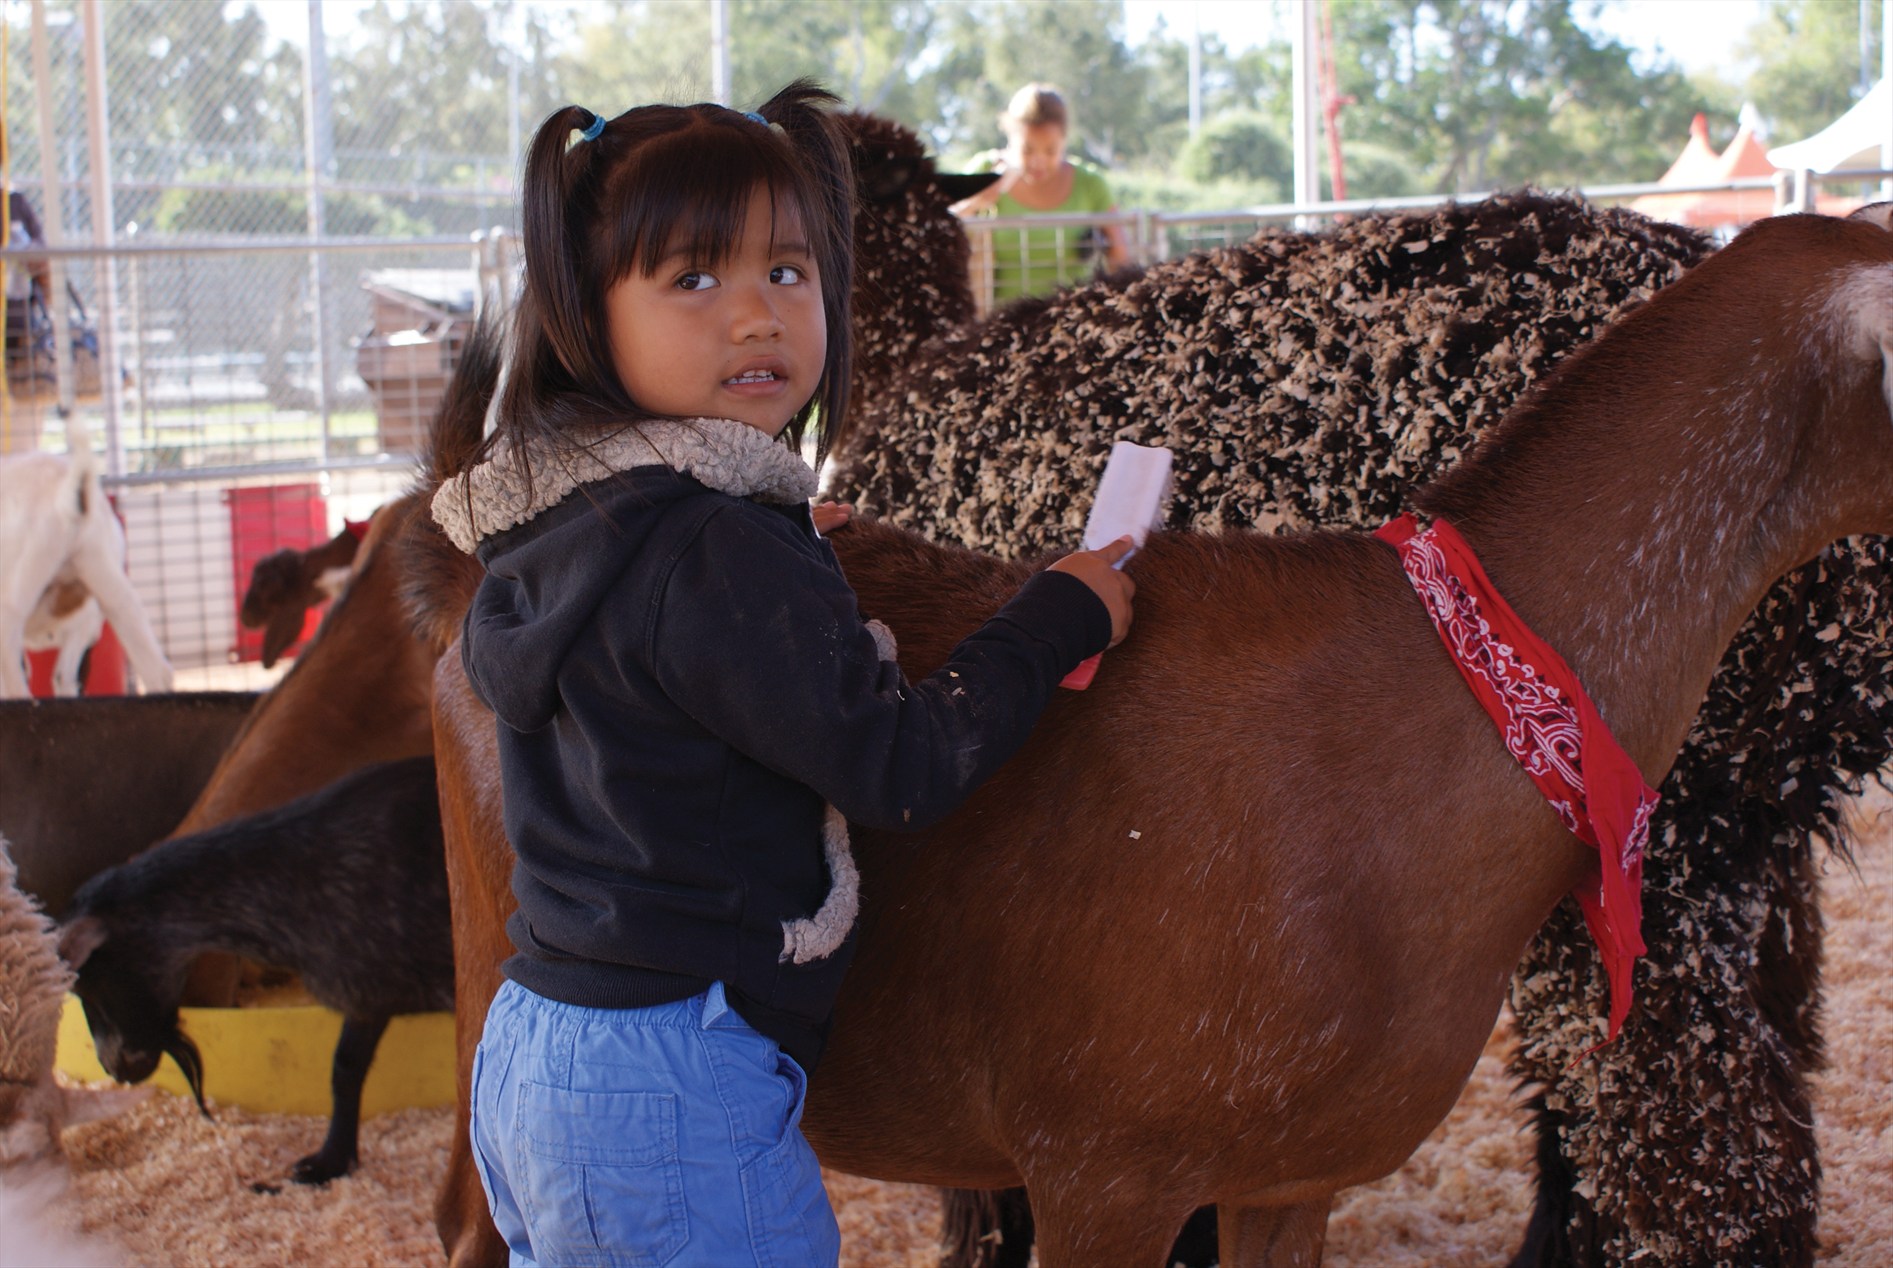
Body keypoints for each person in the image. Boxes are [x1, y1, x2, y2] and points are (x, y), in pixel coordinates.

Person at [440, 80, 1135, 1266]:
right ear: (587, 317)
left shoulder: (573, 520)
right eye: (694, 279)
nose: (757, 314)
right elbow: (901, 764)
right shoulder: (712, 551)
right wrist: (1058, 613)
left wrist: (784, 550)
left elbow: (665, 649)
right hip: (670, 1081)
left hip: (540, 1049)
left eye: (790, 272)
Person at [951, 82, 1132, 303]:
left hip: (1073, 321)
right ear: (1010, 140)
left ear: (1065, 141)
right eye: (1027, 149)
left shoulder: (1091, 184)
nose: (1038, 162)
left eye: (1050, 151)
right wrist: (975, 203)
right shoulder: (983, 171)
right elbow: (940, 227)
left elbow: (1121, 259)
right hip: (999, 324)